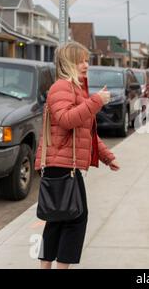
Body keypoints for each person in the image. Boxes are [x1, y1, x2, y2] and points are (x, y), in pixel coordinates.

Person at [34, 42, 120, 269]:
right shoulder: (61, 88)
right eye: (80, 60)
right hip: (61, 165)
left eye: (86, 60)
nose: (86, 65)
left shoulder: (74, 89)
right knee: (74, 220)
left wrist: (107, 157)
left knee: (57, 220)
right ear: (68, 63)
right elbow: (66, 119)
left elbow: (85, 133)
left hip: (62, 165)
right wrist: (95, 102)